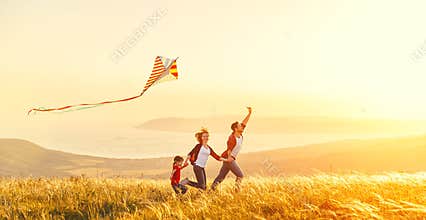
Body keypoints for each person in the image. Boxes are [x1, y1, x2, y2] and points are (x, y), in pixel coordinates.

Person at [211, 107, 252, 191]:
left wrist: (249, 113)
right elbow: (229, 149)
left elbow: (244, 122)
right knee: (240, 175)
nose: (242, 127)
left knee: (221, 176)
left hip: (229, 159)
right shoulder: (232, 138)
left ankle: (211, 189)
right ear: (236, 129)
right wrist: (229, 158)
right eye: (240, 126)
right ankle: (236, 191)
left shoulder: (239, 134)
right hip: (229, 159)